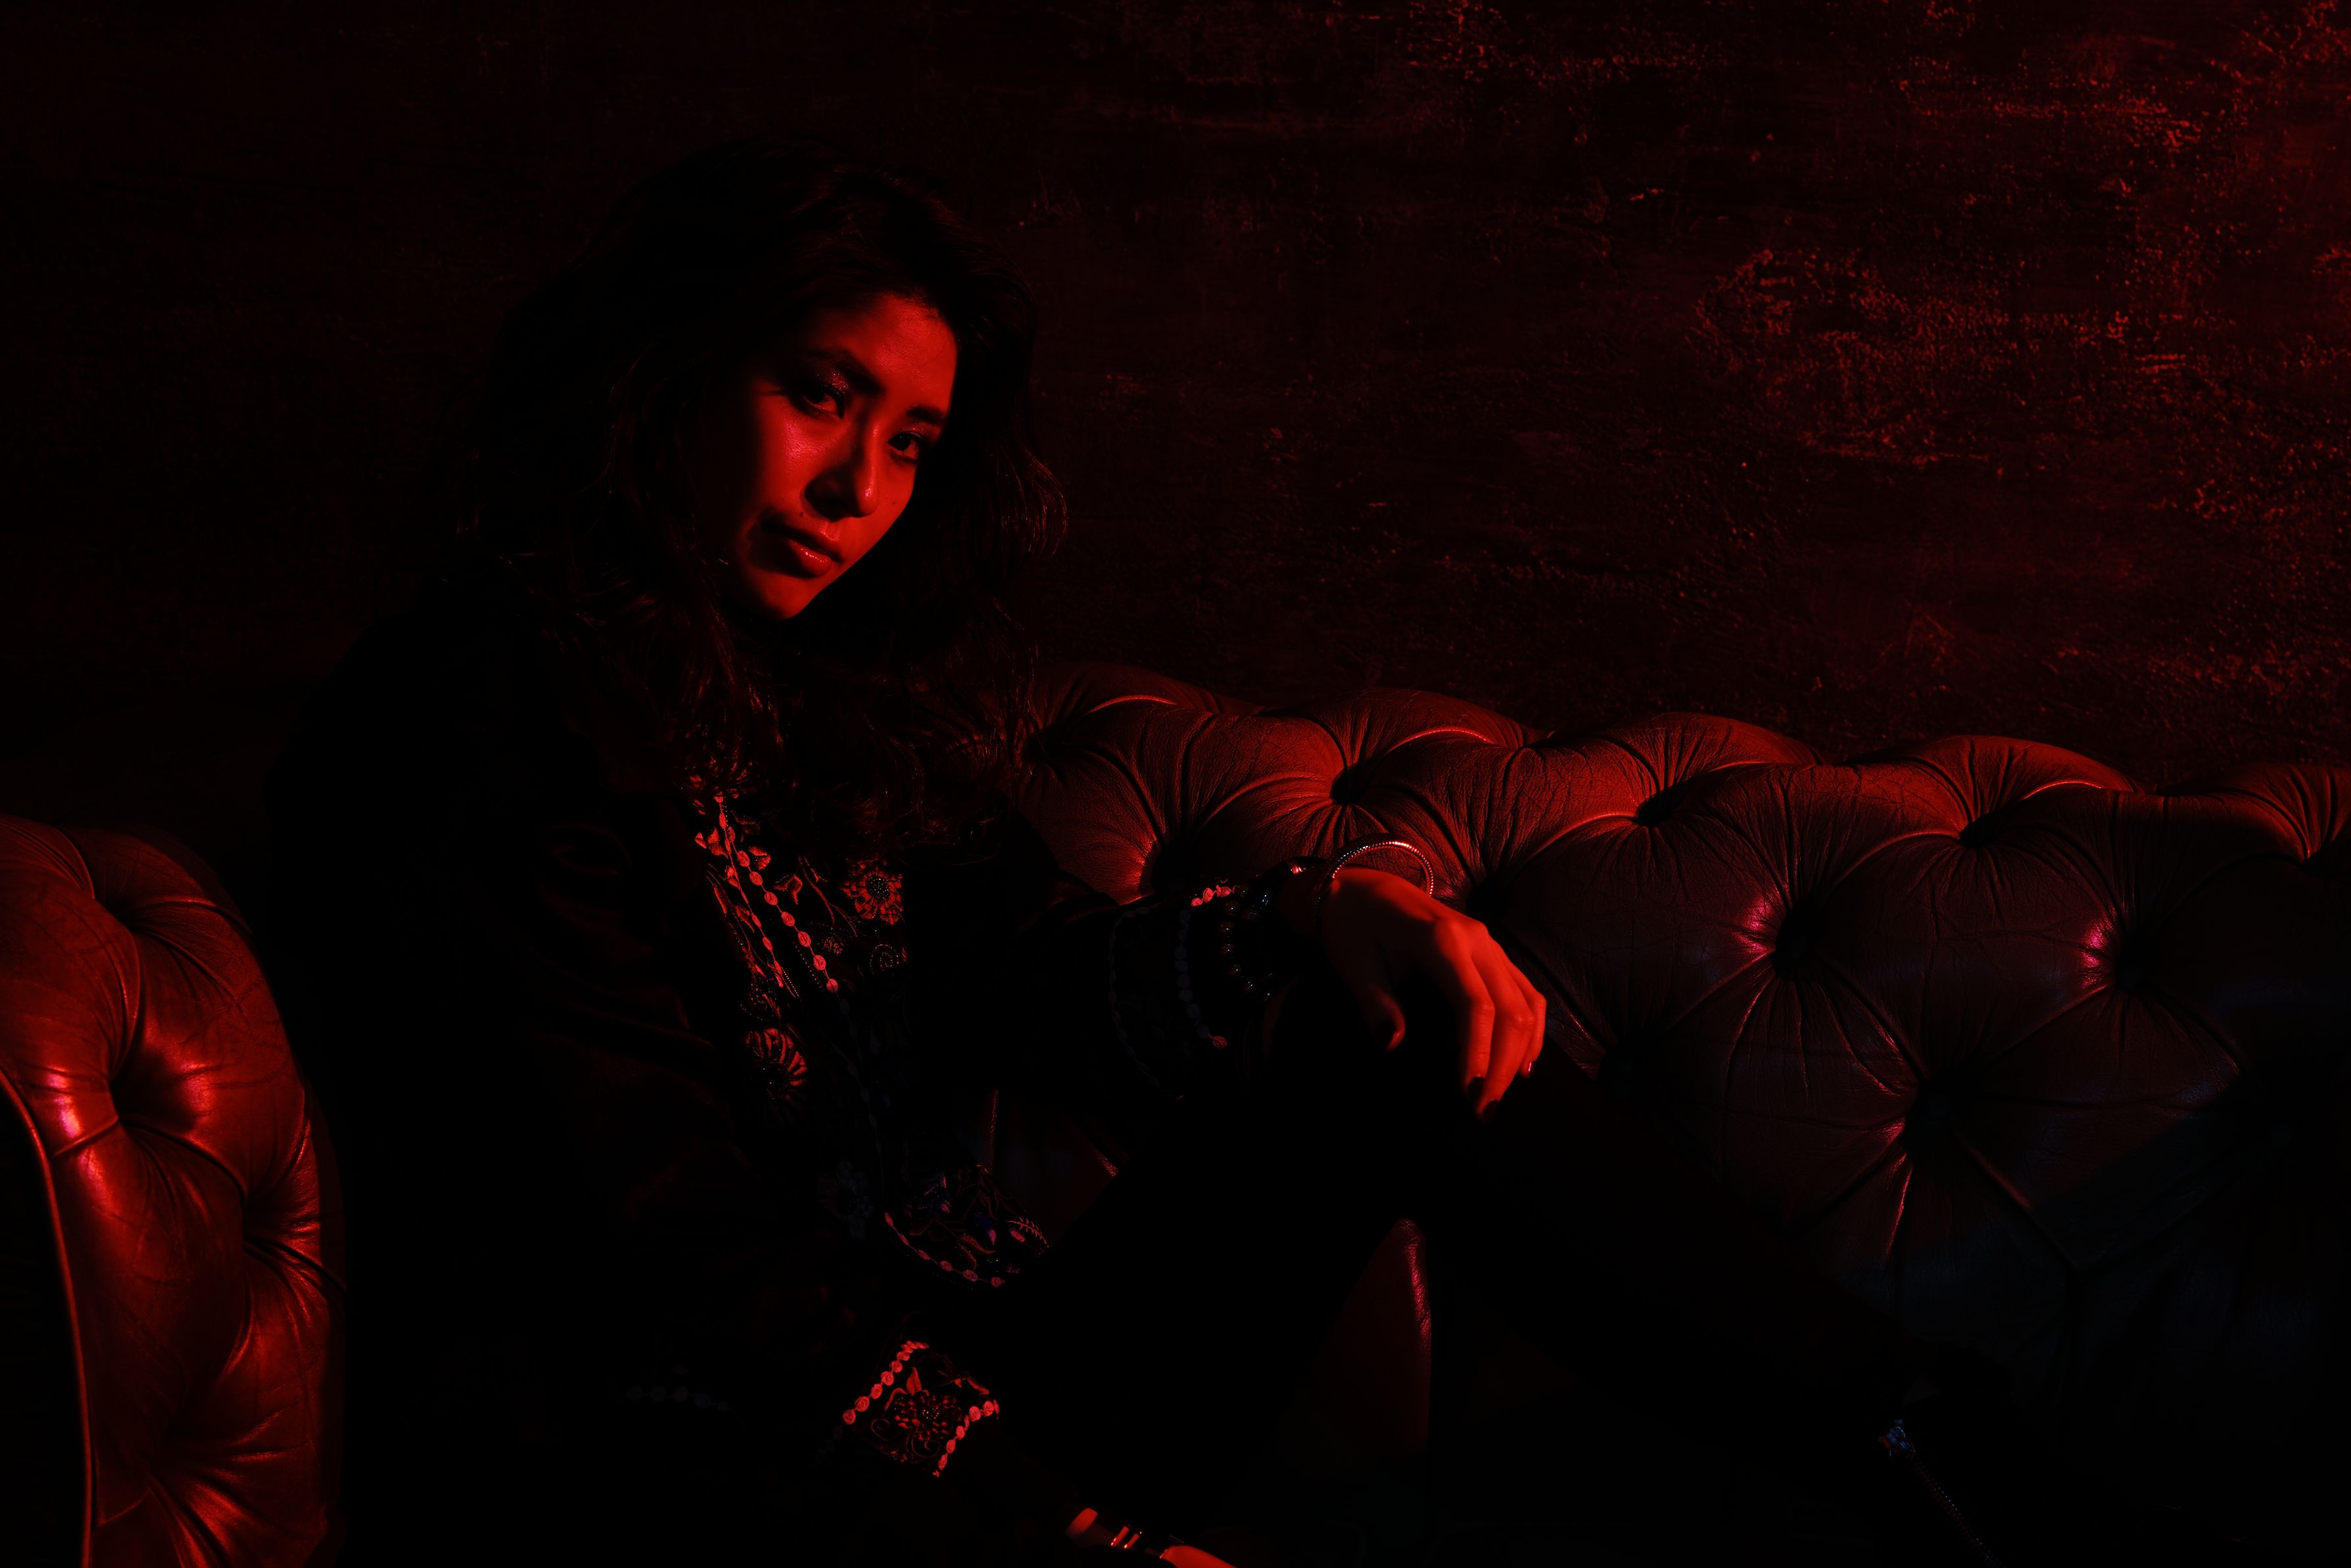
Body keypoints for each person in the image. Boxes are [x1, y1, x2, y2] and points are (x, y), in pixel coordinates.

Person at [266, 138, 2040, 1566]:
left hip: (967, 1381)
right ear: (663, 373)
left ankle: (1946, 1461)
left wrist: (1316, 911)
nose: (857, 491)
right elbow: (667, 1247)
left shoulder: (807, 704)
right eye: (818, 396)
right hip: (696, 1467)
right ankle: (1964, 1471)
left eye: (910, 446)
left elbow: (1025, 968)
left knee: (1384, 1025)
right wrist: (1057, 1523)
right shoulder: (475, 708)